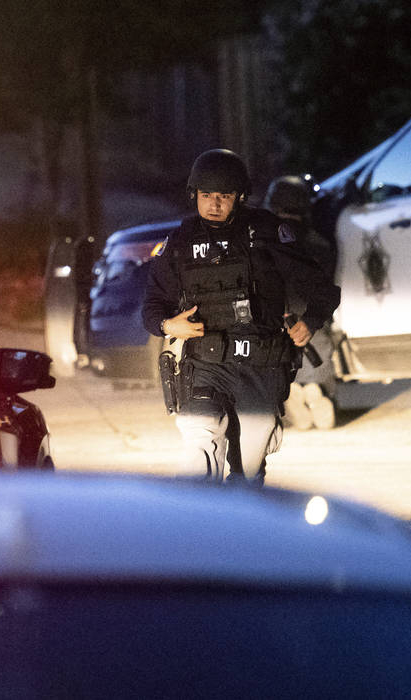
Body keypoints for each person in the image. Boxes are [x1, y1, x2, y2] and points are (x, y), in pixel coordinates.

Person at [142, 149, 340, 484]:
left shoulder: (266, 233)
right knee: (199, 448)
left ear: (240, 197)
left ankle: (239, 530)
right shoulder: (180, 242)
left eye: (224, 196)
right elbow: (152, 305)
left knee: (247, 472)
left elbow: (321, 287)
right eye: (207, 195)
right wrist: (167, 325)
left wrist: (311, 321)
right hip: (204, 364)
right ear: (195, 195)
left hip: (260, 366)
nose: (214, 204)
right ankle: (196, 530)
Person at [262, 174, 339, 431]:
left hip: (276, 319)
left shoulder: (264, 240)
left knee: (280, 360)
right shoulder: (320, 243)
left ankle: (293, 391)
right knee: (320, 350)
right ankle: (318, 390)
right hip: (311, 319)